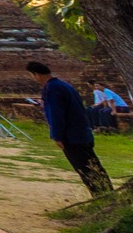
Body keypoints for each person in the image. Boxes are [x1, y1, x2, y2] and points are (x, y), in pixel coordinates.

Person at [27, 61, 111, 194]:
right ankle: (107, 192)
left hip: (71, 135)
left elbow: (56, 113)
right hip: (83, 132)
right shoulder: (64, 85)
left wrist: (57, 136)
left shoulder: (51, 88)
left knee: (84, 169)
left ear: (36, 74)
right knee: (94, 166)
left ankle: (101, 196)